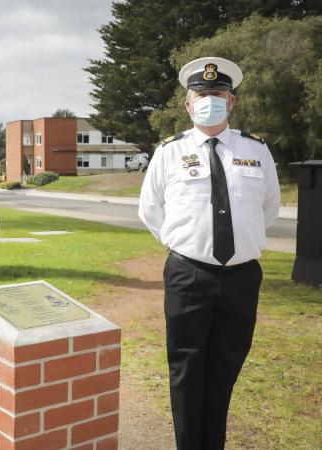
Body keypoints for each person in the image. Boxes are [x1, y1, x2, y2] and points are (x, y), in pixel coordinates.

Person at [139, 57, 281, 450]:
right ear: (188, 105)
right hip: (189, 276)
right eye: (201, 95)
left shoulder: (256, 150)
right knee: (185, 370)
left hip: (241, 277)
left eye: (217, 94)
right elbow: (151, 211)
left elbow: (268, 207)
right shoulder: (169, 151)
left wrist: (241, 244)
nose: (209, 101)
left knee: (225, 367)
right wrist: (186, 247)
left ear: (231, 102)